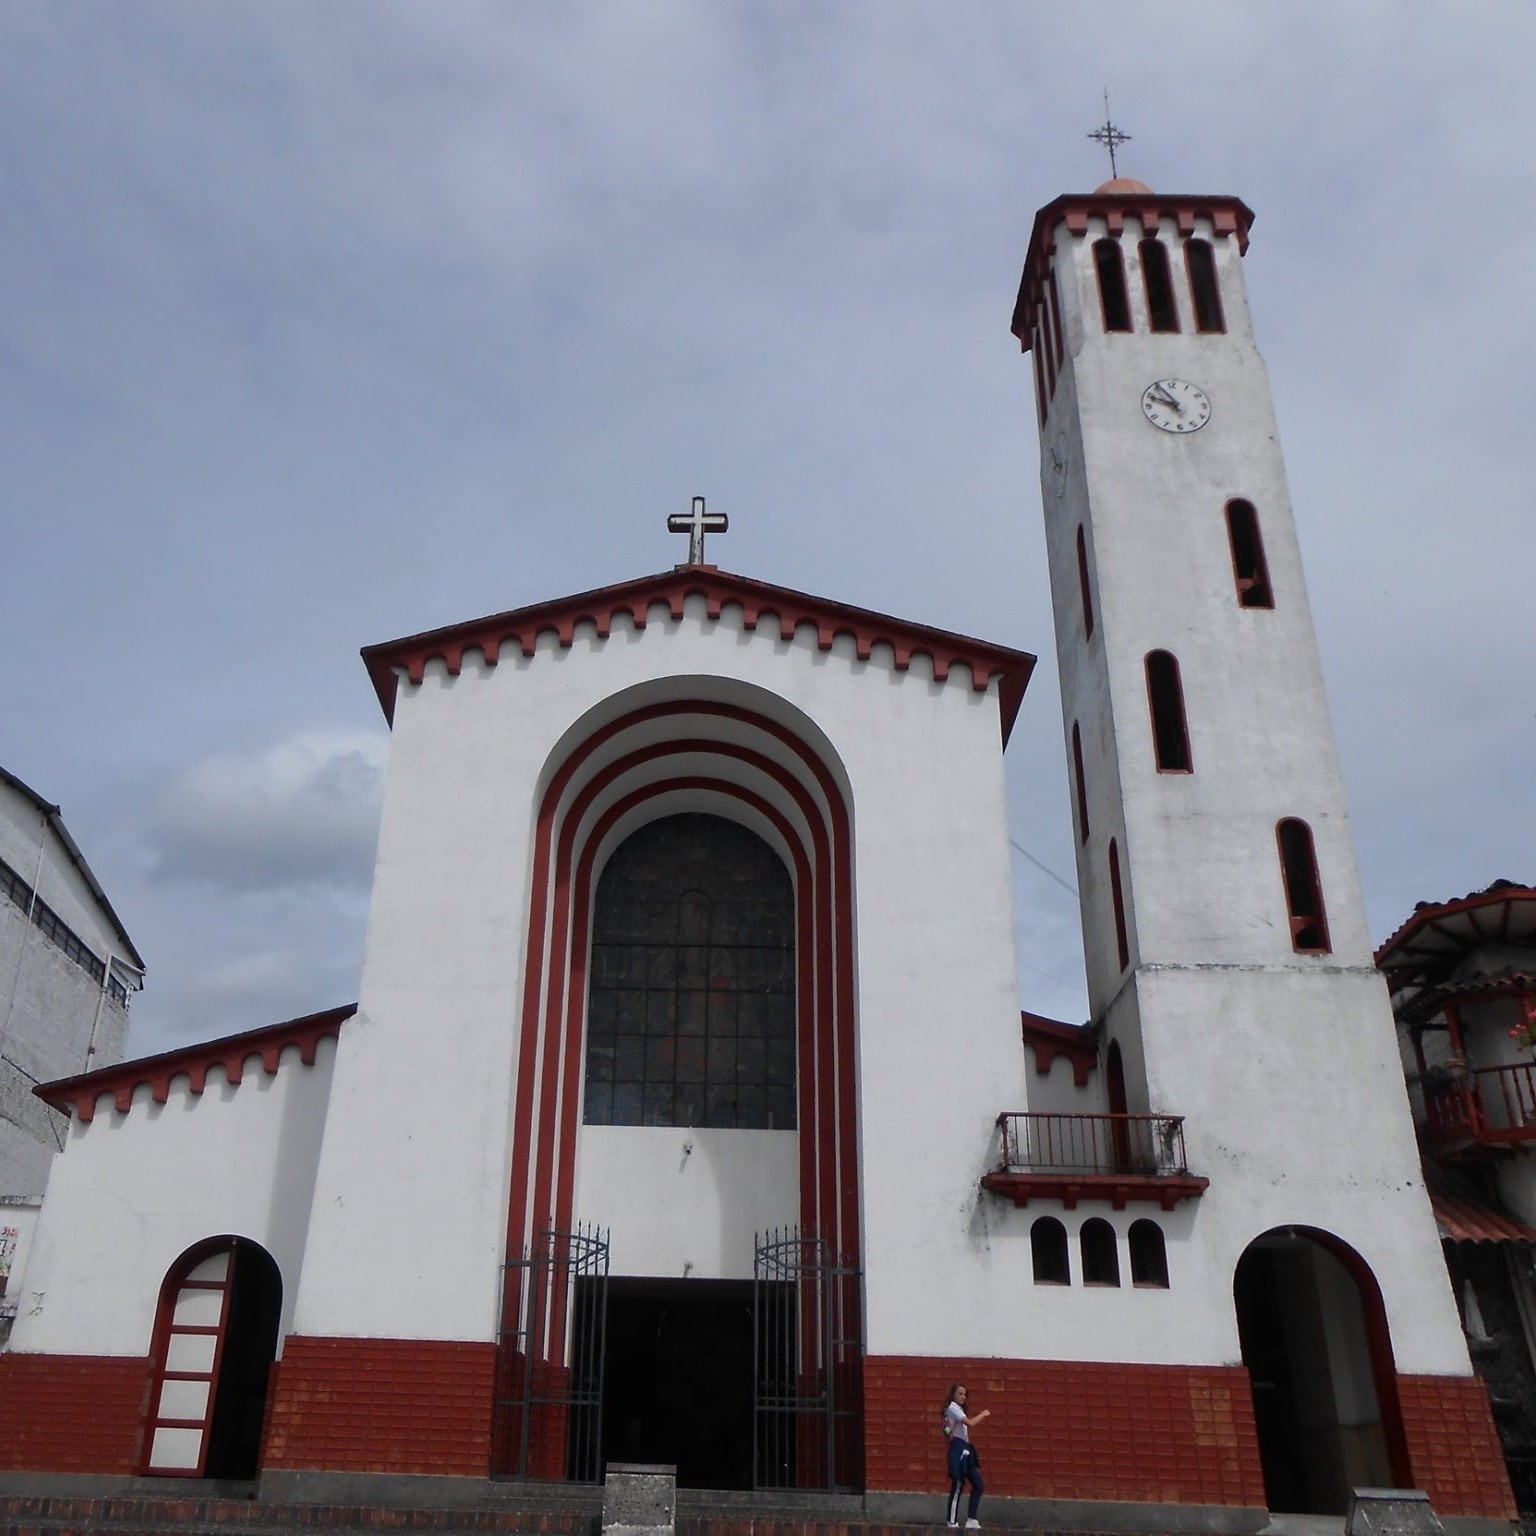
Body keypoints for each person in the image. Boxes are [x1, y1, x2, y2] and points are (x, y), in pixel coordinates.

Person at [941, 1382, 989, 1528]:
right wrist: (984, 1414)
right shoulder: (953, 1408)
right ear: (953, 1394)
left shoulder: (959, 1409)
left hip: (966, 1448)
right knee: (958, 1484)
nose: (963, 1397)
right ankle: (952, 1521)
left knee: (978, 1484)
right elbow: (970, 1423)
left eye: (964, 1394)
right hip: (958, 1447)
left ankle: (972, 1519)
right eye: (960, 1394)